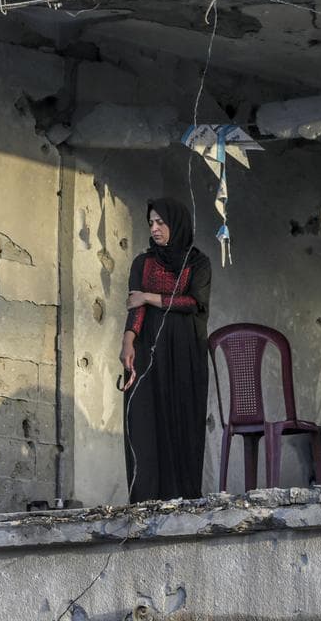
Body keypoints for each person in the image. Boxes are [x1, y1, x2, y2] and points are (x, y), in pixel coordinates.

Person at [120, 197, 212, 502]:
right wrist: (128, 340)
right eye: (151, 223)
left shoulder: (198, 263)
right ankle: (146, 499)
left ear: (177, 223)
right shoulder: (142, 263)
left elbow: (193, 303)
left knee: (181, 419)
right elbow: (135, 307)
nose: (155, 228)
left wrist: (148, 297)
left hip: (185, 351)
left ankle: (183, 497)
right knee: (144, 418)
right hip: (148, 349)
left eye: (161, 222)